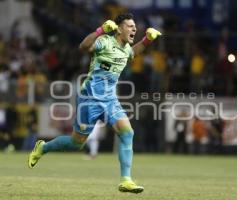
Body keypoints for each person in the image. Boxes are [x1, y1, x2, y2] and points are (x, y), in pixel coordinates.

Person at [28, 13, 162, 193]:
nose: (134, 29)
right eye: (130, 26)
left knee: (127, 132)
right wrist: (99, 30)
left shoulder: (125, 48)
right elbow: (83, 46)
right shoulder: (105, 41)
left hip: (110, 100)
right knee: (77, 143)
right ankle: (43, 147)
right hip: (89, 99)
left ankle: (126, 180)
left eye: (135, 26)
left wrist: (147, 40)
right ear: (119, 28)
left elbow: (133, 53)